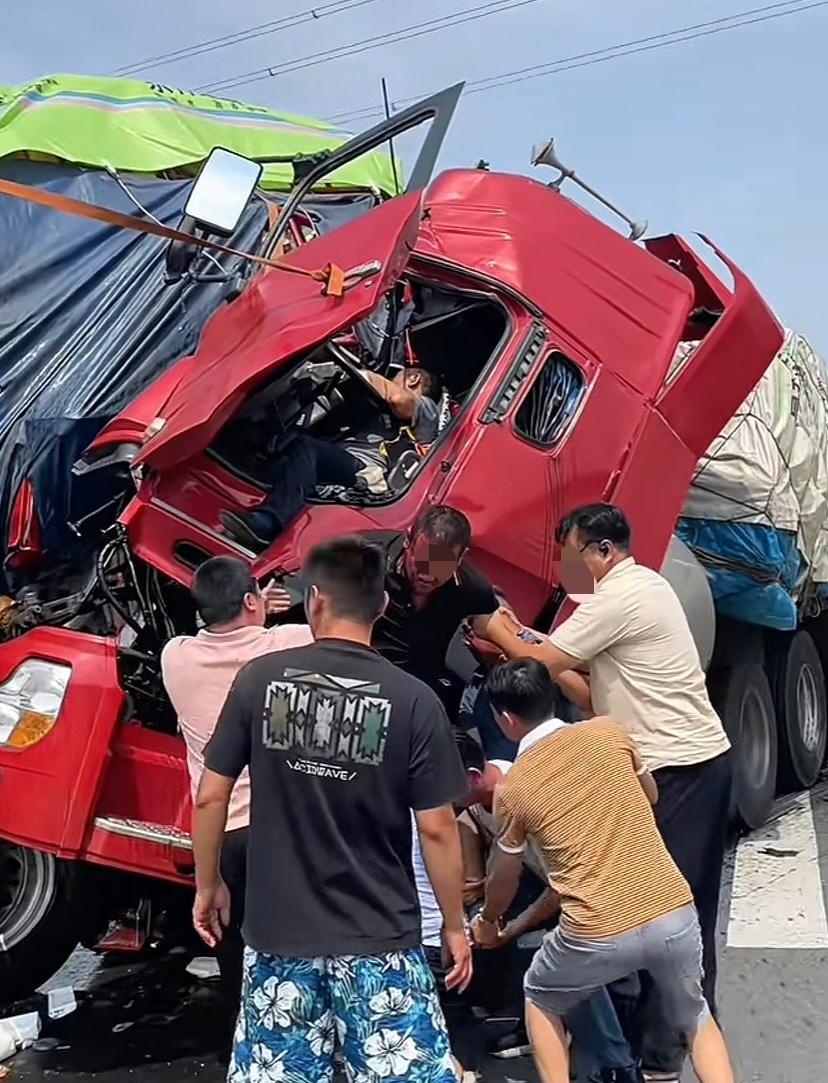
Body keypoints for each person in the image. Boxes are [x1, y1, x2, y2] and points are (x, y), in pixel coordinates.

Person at [192, 535, 472, 1082]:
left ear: (314, 598)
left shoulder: (259, 682)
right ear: (383, 605)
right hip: (379, 942)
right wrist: (454, 926)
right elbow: (438, 829)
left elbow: (211, 794)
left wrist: (209, 884)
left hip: (280, 939)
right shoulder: (413, 699)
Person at [486, 503, 732, 1075]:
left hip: (682, 766)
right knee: (649, 909)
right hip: (675, 763)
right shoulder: (638, 591)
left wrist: (498, 629)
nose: (566, 566)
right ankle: (647, 1041)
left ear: (602, 549)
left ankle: (664, 1054)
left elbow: (545, 662)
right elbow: (586, 687)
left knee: (673, 909)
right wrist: (518, 642)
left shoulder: (619, 595)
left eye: (571, 554)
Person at [472, 659, 736, 1083]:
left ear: (505, 719)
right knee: (694, 1013)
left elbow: (504, 878)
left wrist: (488, 922)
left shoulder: (516, 787)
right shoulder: (610, 733)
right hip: (672, 910)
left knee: (540, 996)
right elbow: (649, 795)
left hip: (595, 932)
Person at [160, 556, 313, 1000]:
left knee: (239, 956)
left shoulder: (177, 657)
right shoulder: (290, 640)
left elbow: (216, 628)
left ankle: (249, 1045)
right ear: (250, 598)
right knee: (300, 950)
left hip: (224, 833)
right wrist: (265, 608)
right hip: (288, 827)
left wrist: (251, 603)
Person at [455, 732, 639, 1082]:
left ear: (473, 778)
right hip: (562, 893)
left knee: (564, 964)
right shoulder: (478, 808)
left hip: (604, 894)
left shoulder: (525, 795)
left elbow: (558, 887)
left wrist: (508, 926)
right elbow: (479, 877)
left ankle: (618, 1065)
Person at [221, 365, 443, 550]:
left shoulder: (428, 412)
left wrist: (364, 374)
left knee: (308, 449)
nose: (391, 379)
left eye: (397, 375)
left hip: (370, 475)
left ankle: (268, 524)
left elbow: (398, 399)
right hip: (345, 463)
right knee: (286, 443)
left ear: (413, 379)